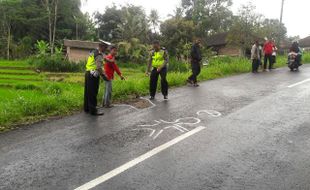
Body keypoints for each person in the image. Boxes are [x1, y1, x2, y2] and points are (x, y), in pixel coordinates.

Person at [84, 42, 109, 116]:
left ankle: (87, 108)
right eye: (105, 47)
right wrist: (104, 76)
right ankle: (93, 110)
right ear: (101, 46)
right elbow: (98, 67)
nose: (106, 49)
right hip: (93, 75)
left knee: (87, 92)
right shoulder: (98, 54)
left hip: (88, 73)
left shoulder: (93, 51)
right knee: (93, 93)